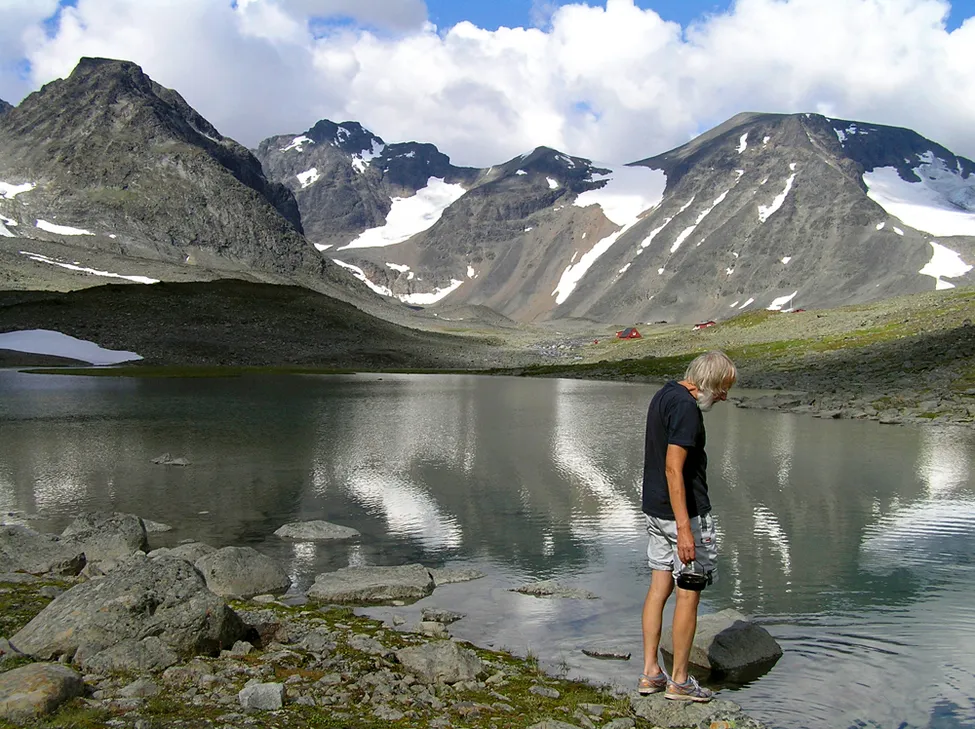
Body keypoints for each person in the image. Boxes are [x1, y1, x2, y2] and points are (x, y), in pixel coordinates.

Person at [637, 350, 737, 702]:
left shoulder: (664, 394)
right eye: (723, 388)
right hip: (685, 515)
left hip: (655, 510)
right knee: (688, 592)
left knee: (658, 587)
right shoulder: (687, 410)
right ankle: (679, 680)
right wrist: (684, 529)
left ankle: (651, 673)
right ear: (708, 381)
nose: (724, 396)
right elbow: (672, 468)